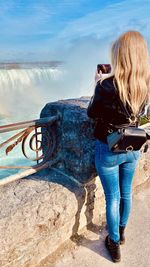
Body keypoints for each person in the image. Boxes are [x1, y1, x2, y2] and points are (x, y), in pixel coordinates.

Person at [87, 31, 150, 263]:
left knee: (112, 197)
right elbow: (147, 118)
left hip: (109, 148)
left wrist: (96, 84)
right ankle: (121, 232)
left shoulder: (107, 85)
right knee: (126, 193)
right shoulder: (146, 84)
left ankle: (113, 242)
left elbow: (92, 113)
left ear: (120, 56)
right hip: (134, 146)